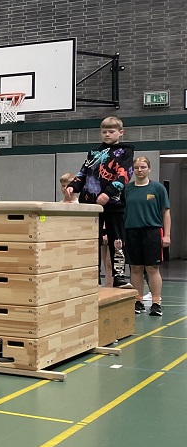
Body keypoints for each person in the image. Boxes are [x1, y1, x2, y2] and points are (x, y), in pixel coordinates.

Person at [67, 116, 134, 288]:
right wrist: (73, 186)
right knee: (91, 239)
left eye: (111, 132)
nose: (107, 135)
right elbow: (83, 172)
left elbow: (124, 174)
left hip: (114, 204)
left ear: (120, 132)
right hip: (90, 204)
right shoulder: (94, 153)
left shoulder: (125, 151)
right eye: (104, 132)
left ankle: (119, 276)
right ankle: (91, 275)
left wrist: (109, 193)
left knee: (116, 240)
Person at [123, 156, 171, 316]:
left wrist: (167, 235)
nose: (140, 170)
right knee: (135, 268)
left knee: (152, 268)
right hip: (132, 231)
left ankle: (156, 303)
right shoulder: (128, 189)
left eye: (143, 167)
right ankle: (138, 301)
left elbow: (166, 212)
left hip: (152, 231)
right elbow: (121, 213)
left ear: (149, 169)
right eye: (137, 167)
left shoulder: (157, 188)